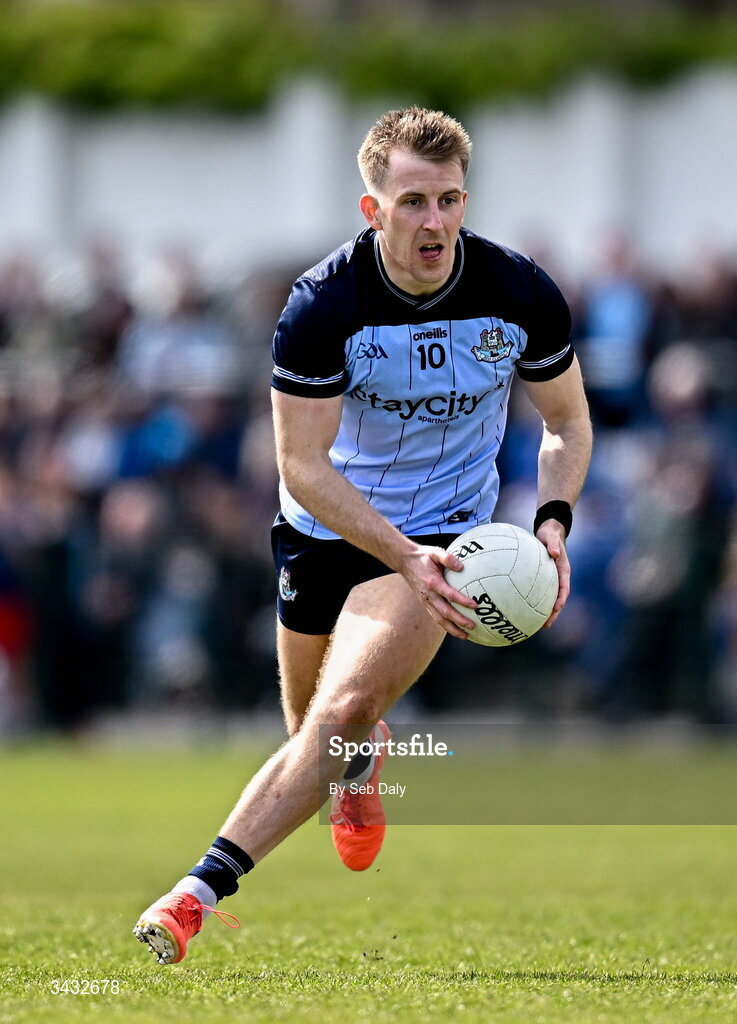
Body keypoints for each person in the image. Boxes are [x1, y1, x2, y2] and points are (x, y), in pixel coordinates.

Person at [133, 106, 592, 965]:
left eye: (451, 199)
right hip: (325, 526)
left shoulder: (517, 290)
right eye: (414, 201)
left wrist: (551, 521)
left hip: (445, 535)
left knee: (339, 713)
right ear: (371, 208)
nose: (436, 222)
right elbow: (302, 464)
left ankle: (194, 893)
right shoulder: (322, 305)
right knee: (314, 730)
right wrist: (393, 549)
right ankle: (360, 770)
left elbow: (565, 421)